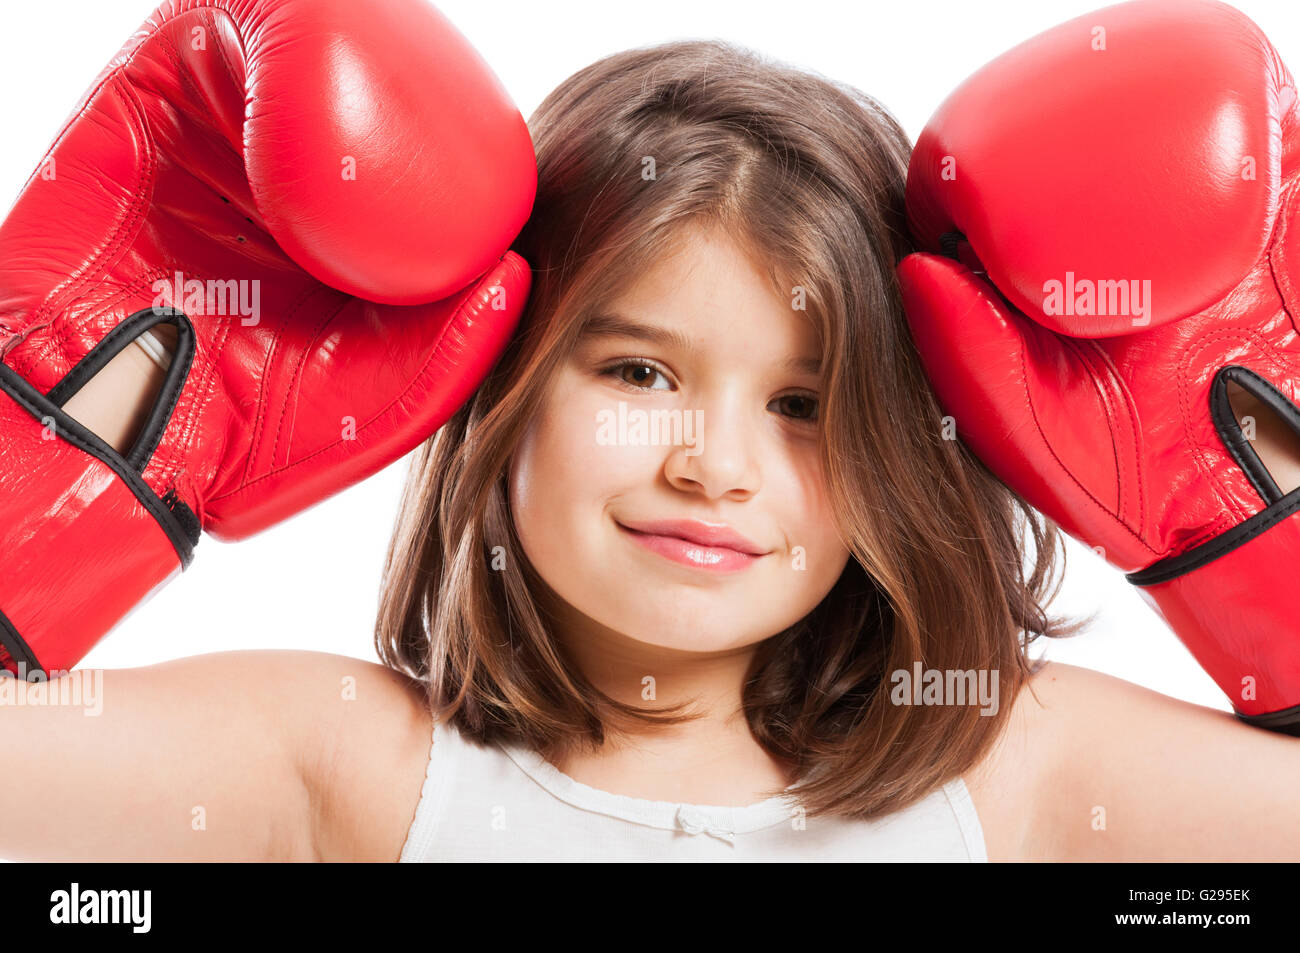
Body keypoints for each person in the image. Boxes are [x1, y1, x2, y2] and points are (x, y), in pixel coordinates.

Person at [4, 32, 1300, 864]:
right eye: (637, 372)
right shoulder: (337, 754)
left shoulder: (1019, 764)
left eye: (804, 405)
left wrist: (1266, 514)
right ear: (492, 375)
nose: (712, 464)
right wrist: (79, 433)